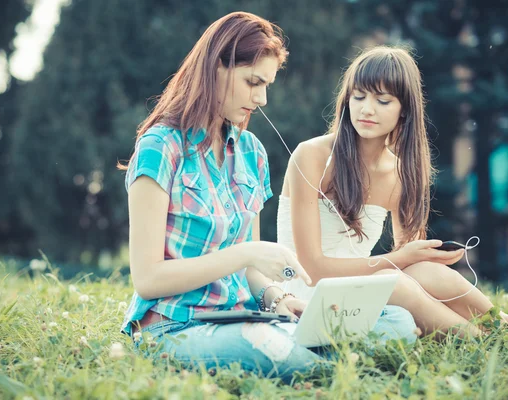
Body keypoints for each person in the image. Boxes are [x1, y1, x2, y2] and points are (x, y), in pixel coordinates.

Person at [119, 13, 417, 383]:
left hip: (248, 317)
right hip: (173, 328)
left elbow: (251, 271)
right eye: (253, 82)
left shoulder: (251, 152)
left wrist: (278, 300)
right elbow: (148, 279)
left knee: (397, 320)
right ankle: (329, 364)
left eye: (267, 85)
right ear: (215, 68)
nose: (261, 99)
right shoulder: (160, 149)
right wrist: (246, 253)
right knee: (273, 347)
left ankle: (307, 350)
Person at [277, 46, 508, 339]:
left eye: (383, 100)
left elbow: (411, 260)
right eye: (359, 96)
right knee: (393, 280)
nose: (366, 109)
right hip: (303, 295)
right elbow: (312, 268)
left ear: (405, 110)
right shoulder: (311, 156)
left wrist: (424, 256)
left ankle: (502, 325)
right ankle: (479, 341)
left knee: (426, 273)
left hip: (360, 290)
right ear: (347, 99)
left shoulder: (402, 172)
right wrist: (400, 259)